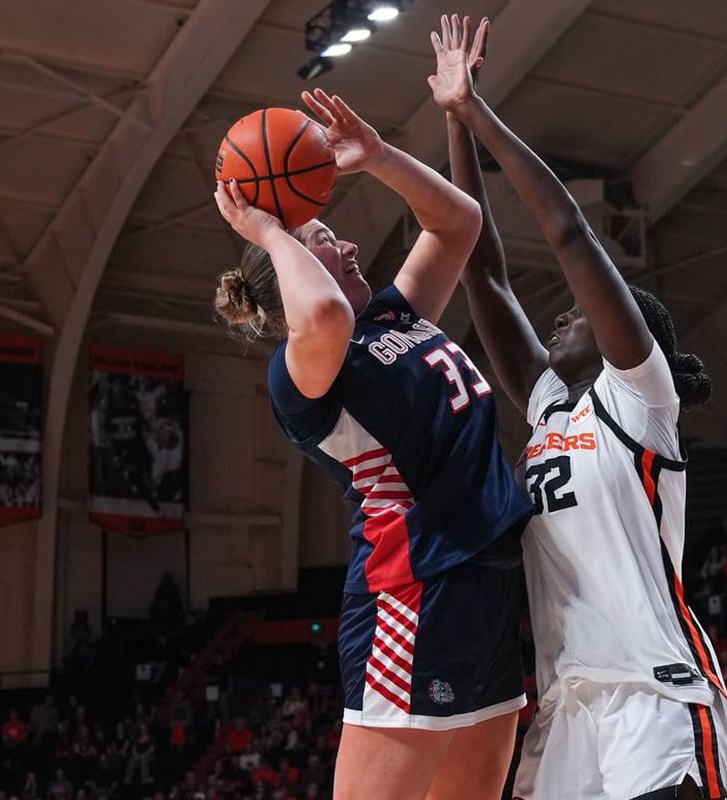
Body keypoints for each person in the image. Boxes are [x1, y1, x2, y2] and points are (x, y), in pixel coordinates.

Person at [431, 15, 727, 800]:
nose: (561, 317)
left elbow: (568, 232)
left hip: (655, 694)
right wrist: (451, 121)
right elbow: (484, 275)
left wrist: (481, 114)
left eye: (579, 315)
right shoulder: (548, 413)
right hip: (570, 704)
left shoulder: (640, 401)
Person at [212, 85, 532, 800]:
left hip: (484, 573)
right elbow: (320, 312)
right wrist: (269, 232)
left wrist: (380, 155)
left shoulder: (391, 315)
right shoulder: (304, 370)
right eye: (326, 243)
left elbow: (459, 223)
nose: (350, 243)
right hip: (414, 587)